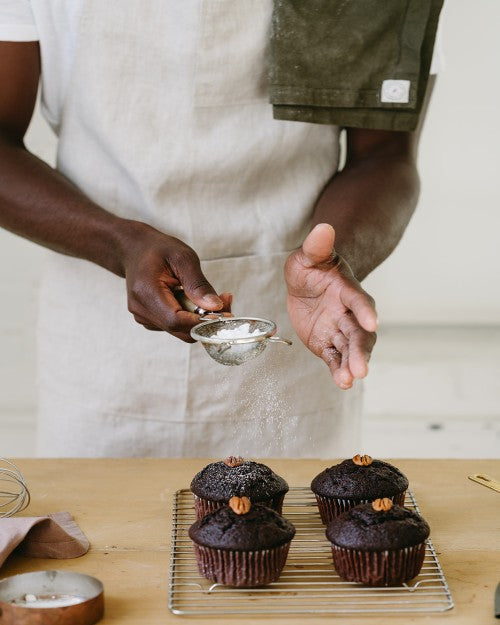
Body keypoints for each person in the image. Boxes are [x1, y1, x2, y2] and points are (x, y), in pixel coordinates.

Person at [0, 2, 437, 457]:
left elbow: (385, 155)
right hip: (103, 347)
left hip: (295, 334)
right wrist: (120, 243)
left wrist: (336, 259)